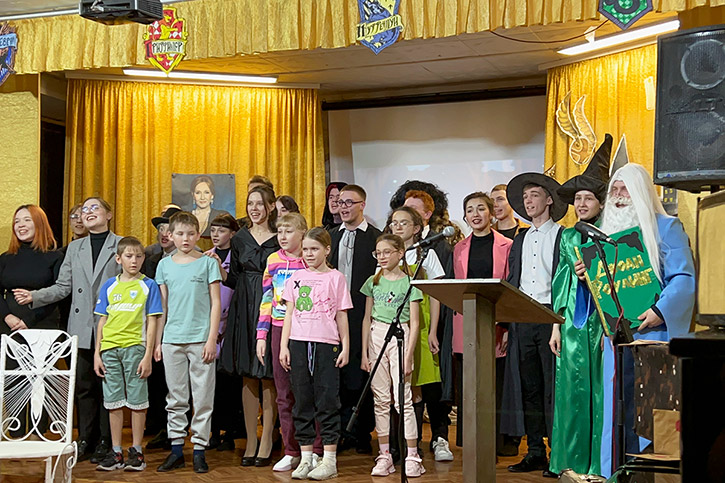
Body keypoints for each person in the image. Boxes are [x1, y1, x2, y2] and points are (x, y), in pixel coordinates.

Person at [589, 161, 696, 477]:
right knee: (617, 415)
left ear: (640, 192)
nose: (618, 195)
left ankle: (651, 477)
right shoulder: (603, 237)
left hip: (654, 337)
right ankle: (616, 475)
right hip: (618, 341)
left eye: (625, 189)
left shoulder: (666, 227)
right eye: (614, 189)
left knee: (652, 416)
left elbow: (683, 277)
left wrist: (660, 311)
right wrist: (587, 275)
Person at [14, 197, 123, 463]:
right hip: (81, 325)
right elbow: (63, 287)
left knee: (108, 386)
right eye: (84, 210)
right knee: (84, 386)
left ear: (108, 215)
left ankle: (106, 441)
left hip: (112, 325)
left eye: (95, 208)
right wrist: (35, 296)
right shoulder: (75, 248)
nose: (88, 212)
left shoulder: (121, 244)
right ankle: (85, 439)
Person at [548, 135, 612, 476]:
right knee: (572, 393)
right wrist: (556, 326)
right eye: (578, 198)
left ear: (601, 202)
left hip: (602, 324)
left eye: (588, 198)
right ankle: (570, 463)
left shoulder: (613, 234)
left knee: (601, 393)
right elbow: (559, 282)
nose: (582, 203)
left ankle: (600, 463)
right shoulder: (569, 237)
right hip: (573, 323)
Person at [504, 173, 567, 478]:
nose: (528, 201)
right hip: (523, 318)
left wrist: (558, 320)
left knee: (553, 388)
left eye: (535, 195)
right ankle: (535, 451)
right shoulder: (520, 238)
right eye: (525, 197)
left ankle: (558, 452)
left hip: (551, 317)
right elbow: (513, 278)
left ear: (549, 199)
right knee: (529, 387)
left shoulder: (562, 236)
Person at [279, 227, 352, 480]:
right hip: (299, 343)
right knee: (302, 401)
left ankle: (329, 459)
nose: (309, 254)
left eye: (315, 249)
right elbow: (289, 313)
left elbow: (342, 314)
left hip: (326, 344)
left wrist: (345, 346)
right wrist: (284, 346)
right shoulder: (296, 277)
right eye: (306, 249)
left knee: (327, 401)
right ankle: (306, 458)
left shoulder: (336, 278)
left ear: (327, 250)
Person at [254, 213, 323, 472]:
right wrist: (262, 334)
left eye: (289, 231)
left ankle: (316, 449)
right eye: (279, 231)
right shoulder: (273, 261)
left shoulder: (310, 261)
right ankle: (291, 449)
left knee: (310, 391)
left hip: (307, 329)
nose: (282, 236)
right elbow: (266, 298)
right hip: (278, 327)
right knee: (284, 394)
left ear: (302, 233)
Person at [154, 211, 222, 474]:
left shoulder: (207, 263)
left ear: (198, 235)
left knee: (203, 397)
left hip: (200, 339)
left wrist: (211, 338)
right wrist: (159, 341)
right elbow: (162, 306)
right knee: (176, 397)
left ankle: (199, 450)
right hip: (172, 339)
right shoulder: (164, 265)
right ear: (170, 235)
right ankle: (176, 450)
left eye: (191, 234)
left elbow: (215, 302)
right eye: (180, 234)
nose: (185, 239)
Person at [387, 206, 453, 462]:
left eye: (403, 223)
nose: (397, 227)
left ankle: (437, 438)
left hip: (422, 324)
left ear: (417, 228)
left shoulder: (427, 254)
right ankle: (404, 443)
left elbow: (436, 295)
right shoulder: (387, 255)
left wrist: (433, 330)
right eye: (394, 222)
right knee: (404, 384)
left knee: (427, 382)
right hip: (397, 325)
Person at [221, 185, 280, 466]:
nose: (254, 209)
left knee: (268, 374)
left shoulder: (279, 237)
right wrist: (218, 270)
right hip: (243, 307)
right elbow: (234, 277)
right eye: (250, 204)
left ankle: (267, 439)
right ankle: (251, 441)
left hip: (270, 305)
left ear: (271, 206)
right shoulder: (240, 238)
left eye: (259, 203)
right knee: (247, 373)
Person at [451, 192, 514, 453]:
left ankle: (496, 443)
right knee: (469, 384)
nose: (475, 214)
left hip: (496, 322)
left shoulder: (507, 245)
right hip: (465, 321)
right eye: (470, 210)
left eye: (480, 209)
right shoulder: (458, 248)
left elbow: (510, 288)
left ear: (491, 213)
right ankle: (470, 442)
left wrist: (507, 325)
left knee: (493, 383)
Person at [93, 236, 162, 472]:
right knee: (113, 401)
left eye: (139, 256)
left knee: (137, 401)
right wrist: (97, 353)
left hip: (135, 347)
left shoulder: (148, 285)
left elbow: (152, 321)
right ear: (118, 258)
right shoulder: (109, 286)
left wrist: (148, 354)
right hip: (109, 349)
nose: (134, 261)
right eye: (129, 256)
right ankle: (116, 451)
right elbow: (102, 320)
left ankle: (136, 451)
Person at [361, 234, 424, 478]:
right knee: (380, 399)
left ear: (400, 253)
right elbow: (366, 318)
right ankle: (384, 454)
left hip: (400, 335)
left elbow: (415, 323)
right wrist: (365, 352)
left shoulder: (410, 282)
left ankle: (412, 455)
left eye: (387, 252)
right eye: (378, 253)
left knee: (402, 399)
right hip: (377, 334)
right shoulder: (373, 281)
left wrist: (408, 355)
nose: (382, 257)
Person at [0, 205, 63, 436]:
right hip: (9, 326)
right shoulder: (5, 258)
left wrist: (28, 320)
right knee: (13, 379)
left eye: (27, 220)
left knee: (40, 379)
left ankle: (38, 431)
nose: (21, 225)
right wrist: (8, 317)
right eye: (17, 221)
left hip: (42, 325)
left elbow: (59, 293)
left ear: (39, 223)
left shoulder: (55, 257)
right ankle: (16, 433)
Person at [328, 184, 381, 454]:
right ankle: (339, 431)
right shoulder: (330, 237)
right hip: (332, 315)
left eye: (350, 202)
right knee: (336, 373)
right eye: (340, 202)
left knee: (361, 372)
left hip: (363, 313)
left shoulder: (376, 239)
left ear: (362, 205)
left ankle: (361, 432)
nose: (344, 207)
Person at [205, 213, 241, 452]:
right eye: (213, 230)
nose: (216, 234)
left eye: (221, 230)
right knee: (211, 383)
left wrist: (222, 269)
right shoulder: (206, 256)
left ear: (232, 233)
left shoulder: (237, 257)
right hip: (211, 326)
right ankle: (213, 431)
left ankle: (230, 432)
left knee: (230, 383)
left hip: (232, 324)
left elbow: (238, 283)